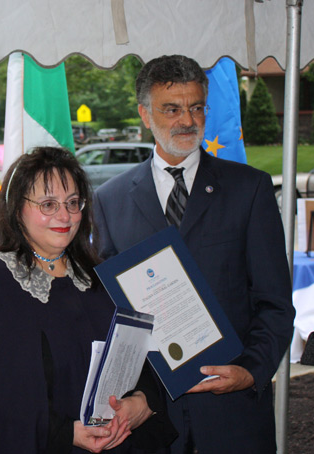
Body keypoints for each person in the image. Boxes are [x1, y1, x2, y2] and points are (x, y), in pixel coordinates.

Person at [93, 55, 295, 454]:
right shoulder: (109, 201)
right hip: (147, 419)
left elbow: (275, 303)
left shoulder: (250, 190)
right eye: (171, 109)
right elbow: (105, 311)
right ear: (145, 115)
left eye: (196, 107)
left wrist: (250, 371)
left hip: (232, 416)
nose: (187, 120)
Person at [0, 147, 176, 454]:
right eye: (48, 204)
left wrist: (143, 402)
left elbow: (137, 358)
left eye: (73, 203)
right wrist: (61, 433)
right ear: (17, 208)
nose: (64, 216)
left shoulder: (95, 277)